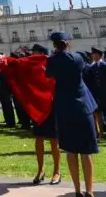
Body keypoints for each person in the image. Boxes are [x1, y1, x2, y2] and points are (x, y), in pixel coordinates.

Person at [46, 31, 97, 197]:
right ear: (68, 43)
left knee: (70, 150)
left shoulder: (52, 60)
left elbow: (49, 74)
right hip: (83, 107)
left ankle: (77, 189)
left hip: (64, 108)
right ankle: (90, 190)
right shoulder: (78, 58)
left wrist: (54, 54)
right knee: (86, 151)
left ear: (54, 45)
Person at [29, 45, 62, 186]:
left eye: (35, 53)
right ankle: (41, 169)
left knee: (54, 140)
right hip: (38, 107)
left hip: (52, 106)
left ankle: (57, 171)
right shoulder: (32, 68)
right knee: (38, 139)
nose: (32, 56)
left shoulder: (52, 65)